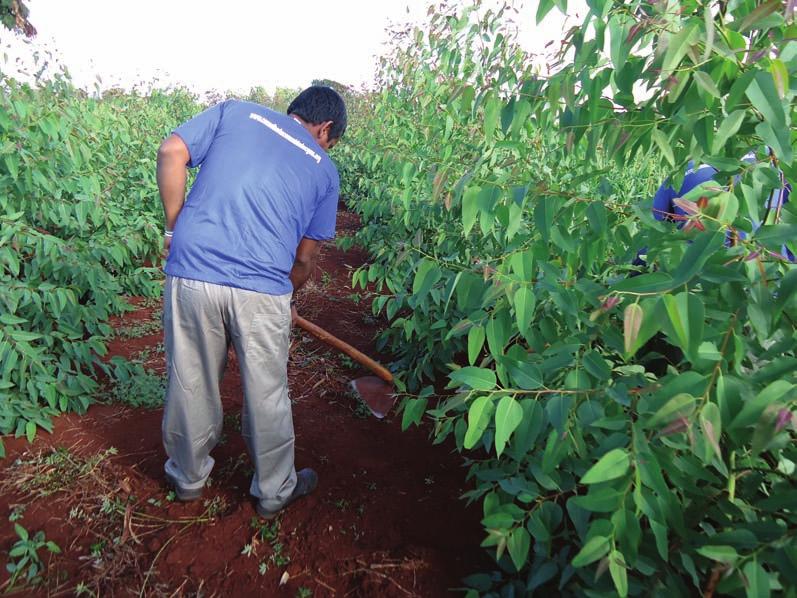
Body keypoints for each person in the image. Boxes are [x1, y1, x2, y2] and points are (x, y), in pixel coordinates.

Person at [156, 86, 347, 519]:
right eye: (331, 141)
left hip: (192, 271)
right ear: (326, 128)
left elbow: (171, 152)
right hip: (263, 289)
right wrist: (283, 298)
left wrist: (174, 230)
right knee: (267, 392)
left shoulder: (235, 113)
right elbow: (303, 258)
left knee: (191, 378)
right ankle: (275, 490)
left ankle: (187, 479)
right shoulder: (324, 169)